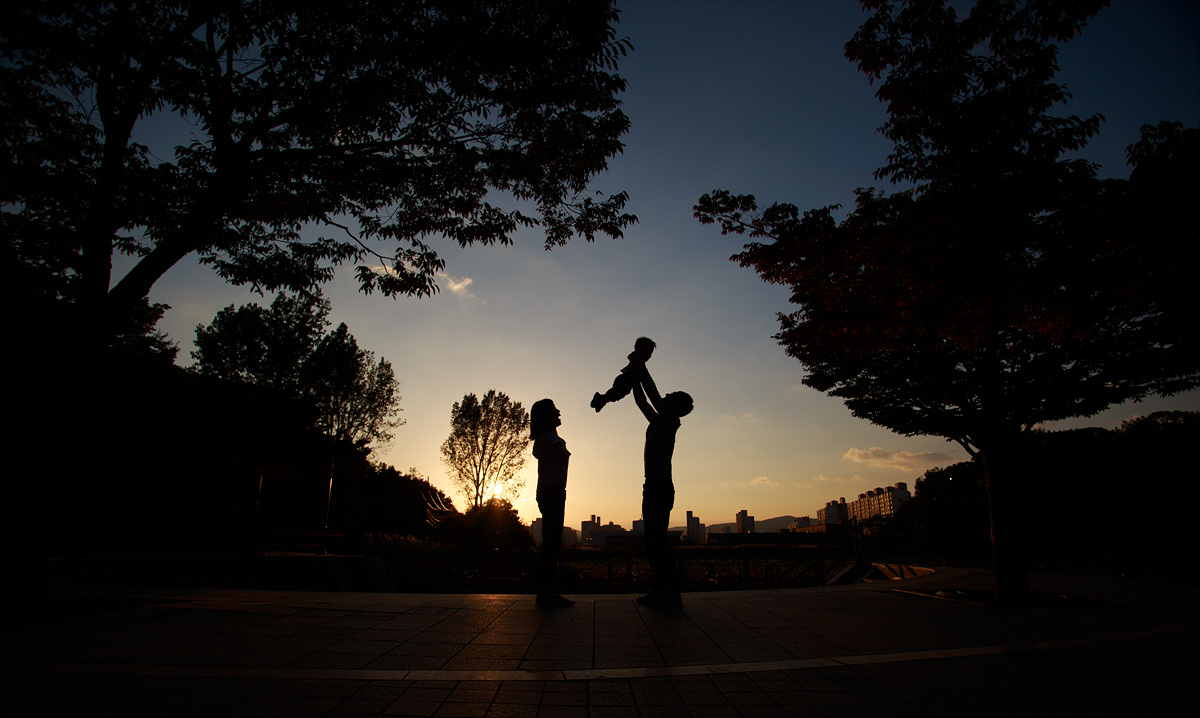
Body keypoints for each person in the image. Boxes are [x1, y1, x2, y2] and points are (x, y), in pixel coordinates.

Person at [630, 365, 693, 608]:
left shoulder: (670, 418)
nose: (667, 395)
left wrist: (640, 367)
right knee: (652, 540)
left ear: (677, 406)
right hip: (653, 484)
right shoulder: (660, 420)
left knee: (657, 539)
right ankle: (660, 588)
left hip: (660, 485)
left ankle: (669, 590)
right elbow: (642, 401)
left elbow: (653, 394)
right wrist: (634, 379)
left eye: (672, 395)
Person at [529, 398, 574, 608]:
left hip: (549, 493)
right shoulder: (550, 439)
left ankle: (545, 591)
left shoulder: (546, 438)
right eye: (554, 410)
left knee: (551, 543)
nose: (559, 412)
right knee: (551, 544)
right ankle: (546, 593)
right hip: (553, 493)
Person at [590, 337, 656, 412]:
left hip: (625, 380)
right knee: (617, 394)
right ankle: (600, 399)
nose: (650, 356)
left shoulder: (638, 358)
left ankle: (601, 401)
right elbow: (637, 368)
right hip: (625, 380)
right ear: (643, 349)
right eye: (649, 352)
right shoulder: (638, 358)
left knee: (617, 395)